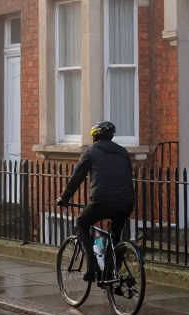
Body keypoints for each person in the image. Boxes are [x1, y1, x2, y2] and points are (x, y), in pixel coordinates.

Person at [57, 120, 135, 283]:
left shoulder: (91, 152)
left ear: (95, 137)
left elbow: (76, 178)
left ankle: (92, 266)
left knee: (81, 223)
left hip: (102, 201)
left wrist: (64, 199)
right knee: (115, 236)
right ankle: (110, 273)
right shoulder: (123, 152)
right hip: (126, 202)